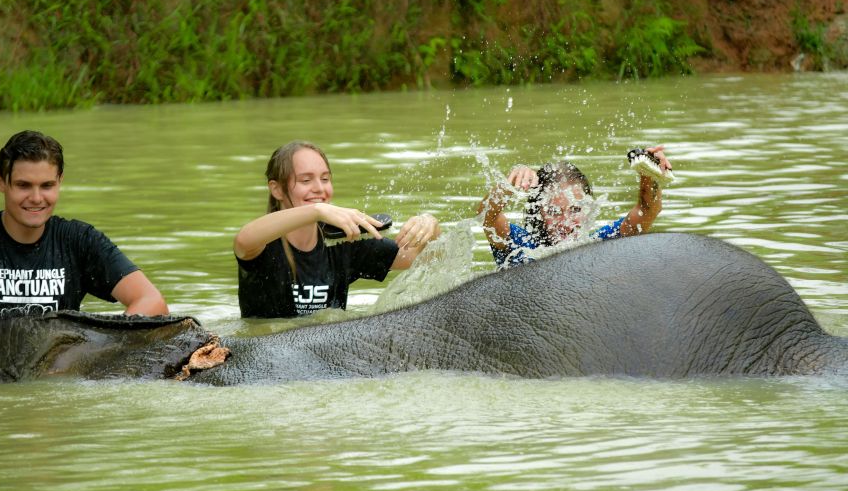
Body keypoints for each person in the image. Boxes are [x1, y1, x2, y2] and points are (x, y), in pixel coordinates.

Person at [0, 130, 169, 338]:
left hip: (56, 382)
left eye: (46, 185)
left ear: (59, 182)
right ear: (1, 182)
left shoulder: (79, 240)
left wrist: (100, 345)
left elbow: (152, 301)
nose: (36, 198)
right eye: (23, 185)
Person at [234, 140, 441, 318]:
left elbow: (430, 257)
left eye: (325, 179)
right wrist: (316, 210)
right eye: (306, 180)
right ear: (276, 189)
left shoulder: (343, 242)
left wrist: (430, 226)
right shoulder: (264, 244)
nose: (319, 188)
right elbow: (243, 241)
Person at [479, 145, 672, 269]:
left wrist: (649, 174)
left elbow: (646, 211)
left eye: (576, 210)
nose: (565, 223)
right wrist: (508, 185)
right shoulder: (521, 247)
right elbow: (487, 216)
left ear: (589, 208)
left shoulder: (601, 245)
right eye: (554, 212)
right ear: (538, 211)